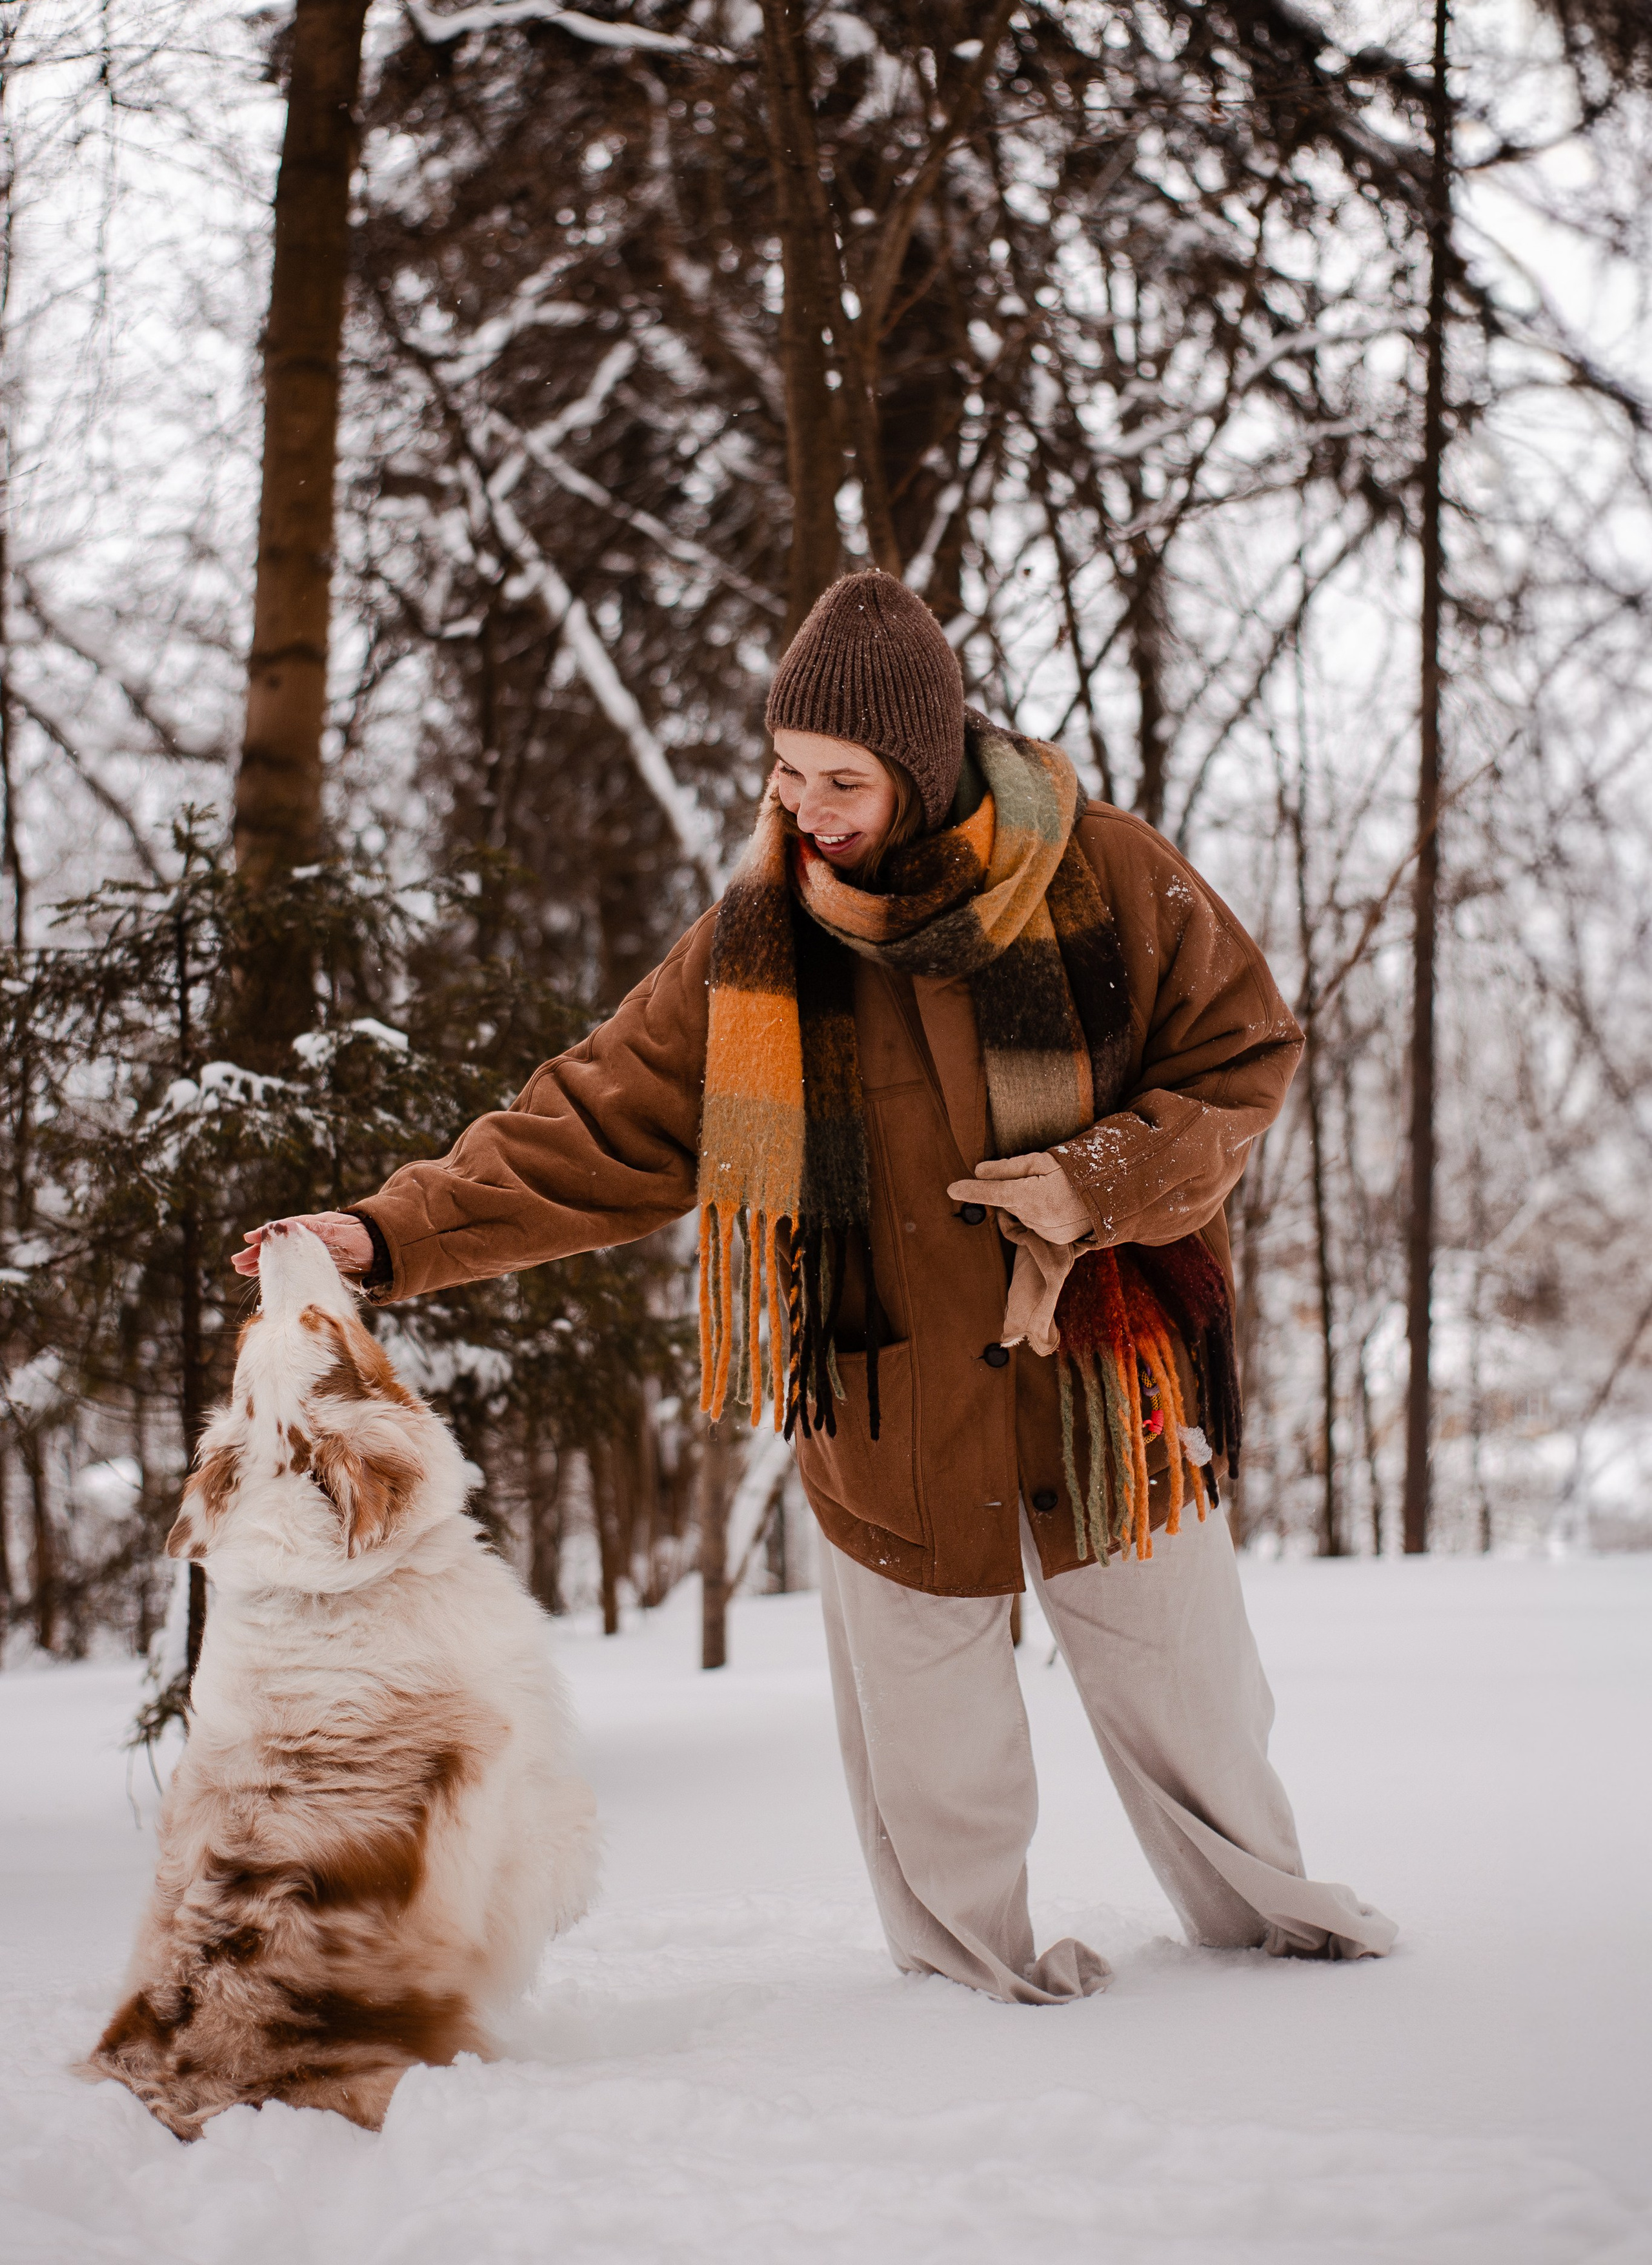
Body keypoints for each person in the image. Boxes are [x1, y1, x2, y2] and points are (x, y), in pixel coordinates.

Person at [236, 571, 1395, 2002]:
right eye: (784, 771)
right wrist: (384, 1231)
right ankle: (976, 1996)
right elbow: (594, 1121)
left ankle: (1287, 1959)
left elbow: (1241, 1057)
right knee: (934, 1759)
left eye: (839, 778)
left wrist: (1099, 1183)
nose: (803, 806)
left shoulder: (1106, 870)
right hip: (884, 1385)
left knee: (1194, 1708)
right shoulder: (760, 941)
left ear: (920, 768)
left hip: (1106, 1381)